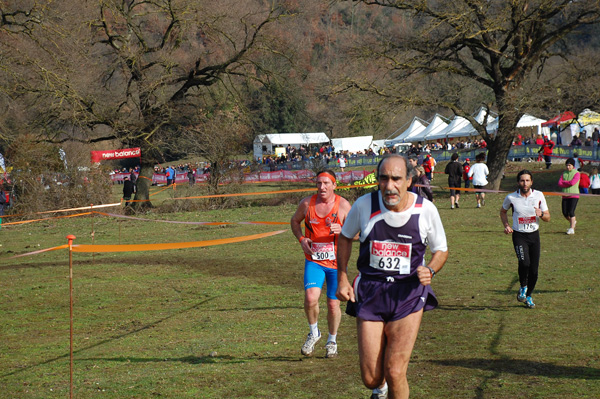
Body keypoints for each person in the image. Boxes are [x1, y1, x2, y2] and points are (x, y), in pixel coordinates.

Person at [336, 154, 448, 399]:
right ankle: (381, 385)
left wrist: (430, 269)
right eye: (384, 179)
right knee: (371, 378)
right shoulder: (365, 205)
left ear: (409, 180)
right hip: (370, 292)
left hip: (408, 293)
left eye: (396, 179)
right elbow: (344, 237)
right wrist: (342, 278)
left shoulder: (425, 209)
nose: (389, 186)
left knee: (395, 370)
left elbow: (441, 249)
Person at [290, 170, 352, 358]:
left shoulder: (343, 205)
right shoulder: (307, 203)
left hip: (336, 263)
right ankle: (314, 332)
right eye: (318, 183)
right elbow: (294, 221)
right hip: (314, 261)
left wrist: (343, 229)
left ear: (334, 185)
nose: (322, 187)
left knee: (333, 305)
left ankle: (332, 340)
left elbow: (359, 234)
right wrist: (301, 238)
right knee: (310, 298)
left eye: (326, 183)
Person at [500, 170, 550, 309]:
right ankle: (523, 286)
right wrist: (506, 225)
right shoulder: (511, 198)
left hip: (534, 235)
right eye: (522, 180)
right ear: (518, 182)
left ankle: (528, 296)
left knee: (534, 271)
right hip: (519, 235)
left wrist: (541, 214)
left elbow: (548, 217)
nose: (525, 183)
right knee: (524, 262)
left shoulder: (539, 195)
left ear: (531, 182)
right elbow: (503, 211)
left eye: (527, 180)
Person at [558, 158, 580, 235]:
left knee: (571, 212)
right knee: (565, 213)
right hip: (565, 195)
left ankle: (572, 228)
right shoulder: (564, 173)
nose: (568, 167)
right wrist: (566, 182)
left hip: (574, 195)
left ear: (573, 165)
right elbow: (559, 183)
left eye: (569, 165)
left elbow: (572, 183)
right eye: (567, 165)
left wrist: (565, 182)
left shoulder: (577, 173)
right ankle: (573, 222)